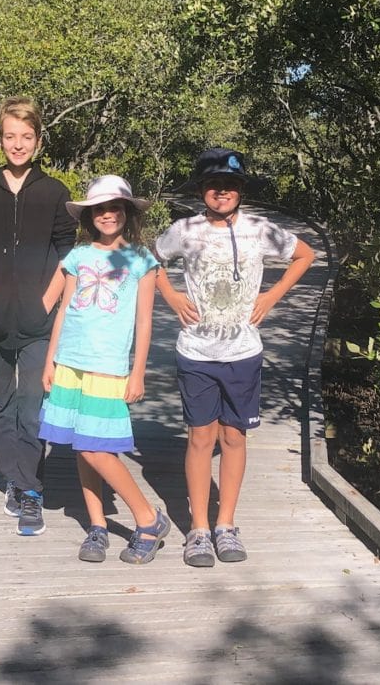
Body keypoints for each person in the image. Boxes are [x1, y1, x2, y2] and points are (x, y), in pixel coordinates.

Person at [154, 148, 315, 567]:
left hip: (244, 351)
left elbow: (306, 255)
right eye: (212, 185)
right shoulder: (184, 230)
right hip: (196, 351)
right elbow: (148, 260)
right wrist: (170, 296)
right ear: (201, 190)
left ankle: (226, 524)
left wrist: (273, 295)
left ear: (241, 189)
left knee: (234, 437)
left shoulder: (261, 230)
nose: (221, 191)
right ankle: (199, 529)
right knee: (201, 438)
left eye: (229, 184)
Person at [39, 175, 171, 564]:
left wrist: (138, 372)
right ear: (90, 216)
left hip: (110, 366)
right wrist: (50, 360)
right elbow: (62, 310)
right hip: (70, 363)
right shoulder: (77, 257)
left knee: (96, 447)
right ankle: (96, 526)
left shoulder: (142, 261)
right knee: (83, 446)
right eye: (99, 209)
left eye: (115, 207)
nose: (107, 214)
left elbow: (145, 322)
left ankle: (148, 519)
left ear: (127, 212)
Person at [0, 96, 77, 536]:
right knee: (0, 405)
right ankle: (12, 477)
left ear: (38, 141)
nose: (18, 144)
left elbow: (69, 256)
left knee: (31, 406)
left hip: (37, 322)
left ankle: (29, 490)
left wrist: (47, 303)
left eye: (26, 137)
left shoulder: (54, 193)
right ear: (0, 139)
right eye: (10, 136)